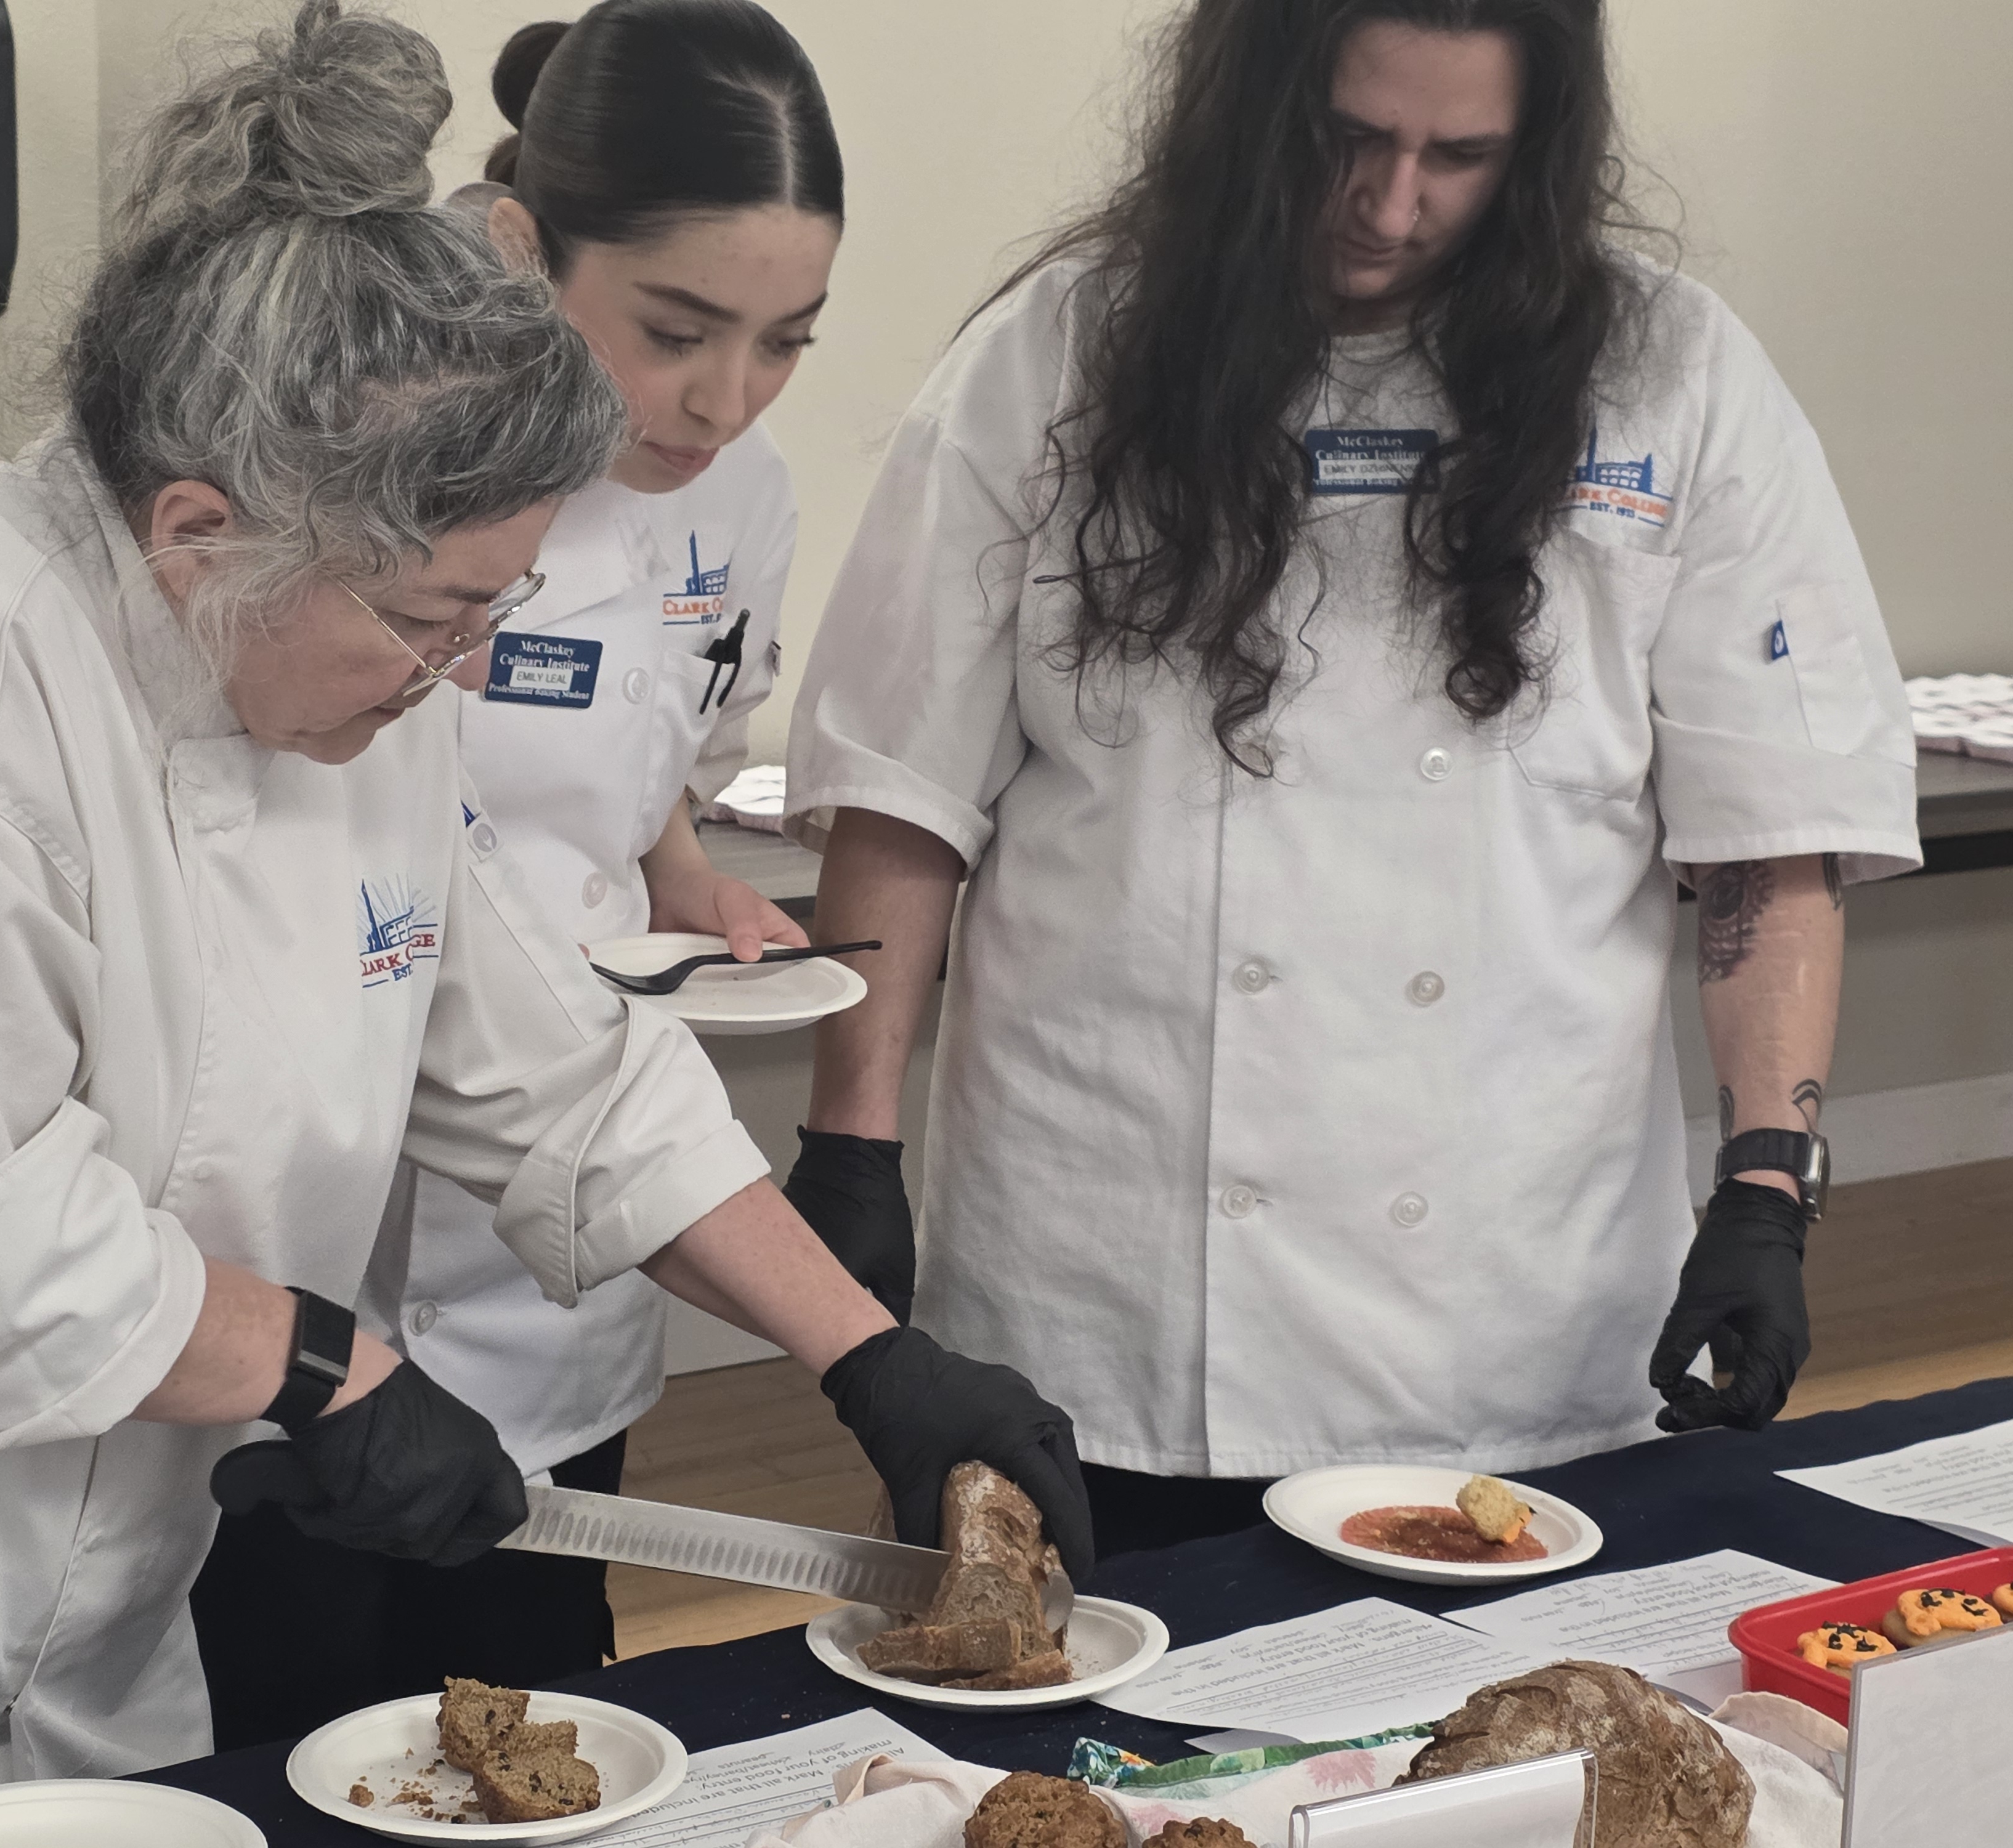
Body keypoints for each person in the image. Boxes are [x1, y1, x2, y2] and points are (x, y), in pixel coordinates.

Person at [0, 9, 1090, 1842]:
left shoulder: (352, 682)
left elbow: (556, 1076)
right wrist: (323, 1369)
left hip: (92, 1658)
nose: (456, 673)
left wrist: (870, 1356)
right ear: (198, 528)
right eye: (435, 618)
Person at [782, 0, 1917, 1559]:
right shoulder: (1054, 356)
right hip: (1113, 1277)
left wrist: (1763, 1186)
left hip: (1512, 1285)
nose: (1391, 208)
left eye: (1459, 156)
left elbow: (1768, 835)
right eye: (1346, 142)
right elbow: (901, 794)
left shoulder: (1672, 376)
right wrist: (850, 1148)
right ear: (1251, 109)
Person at [192, 0, 843, 1746]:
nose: (722, 398)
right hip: (297, 1213)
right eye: (677, 329)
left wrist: (696, 886)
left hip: (568, 1157)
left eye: (786, 341)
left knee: (542, 1700)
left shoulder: (739, 498)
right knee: (296, 1702)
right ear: (515, 248)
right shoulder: (342, 476)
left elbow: (642, 782)